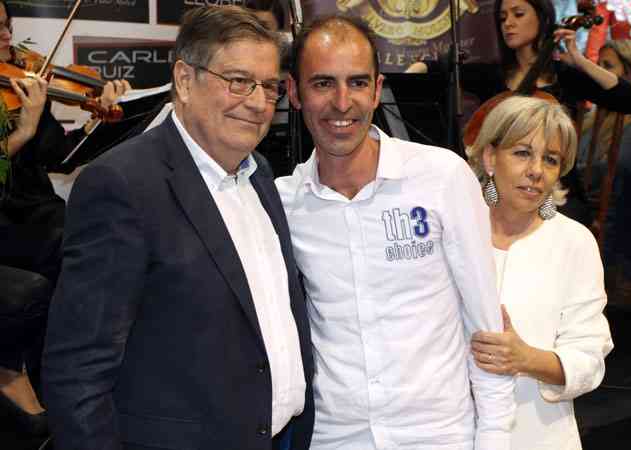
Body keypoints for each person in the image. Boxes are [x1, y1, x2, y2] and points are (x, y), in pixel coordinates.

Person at [42, 6, 313, 450]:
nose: (258, 102)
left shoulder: (259, 173)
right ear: (185, 81)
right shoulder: (123, 184)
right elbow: (77, 372)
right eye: (238, 81)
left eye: (269, 87)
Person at [276, 15, 515, 450]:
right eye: (323, 83)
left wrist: (494, 436)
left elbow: (486, 326)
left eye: (357, 83)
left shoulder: (441, 177)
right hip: (334, 437)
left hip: (439, 435)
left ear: (376, 89)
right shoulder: (283, 202)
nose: (342, 103)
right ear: (294, 92)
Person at [0, 0, 129, 437]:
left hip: (37, 207)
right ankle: (29, 374)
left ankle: (80, 371)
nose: (6, 36)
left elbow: (60, 156)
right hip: (4, 216)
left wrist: (100, 121)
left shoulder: (25, 75)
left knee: (84, 233)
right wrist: (22, 131)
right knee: (61, 243)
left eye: (7, 24)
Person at [465, 95, 614, 450]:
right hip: (448, 433)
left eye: (550, 159)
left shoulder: (574, 242)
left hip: (540, 435)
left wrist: (525, 358)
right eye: (522, 153)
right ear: (490, 157)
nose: (536, 170)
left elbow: (589, 359)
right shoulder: (455, 231)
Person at [406, 0, 631, 117]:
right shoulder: (491, 75)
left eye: (518, 14)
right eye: (502, 18)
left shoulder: (564, 76)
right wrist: (410, 73)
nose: (508, 23)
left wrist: (580, 61)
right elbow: (433, 67)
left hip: (556, 187)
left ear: (542, 18)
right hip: (499, 187)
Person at [578, 39, 631, 263]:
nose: (598, 73)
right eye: (597, 65)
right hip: (583, 217)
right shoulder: (590, 120)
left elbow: (605, 172)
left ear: (630, 75)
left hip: (610, 235)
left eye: (607, 66)